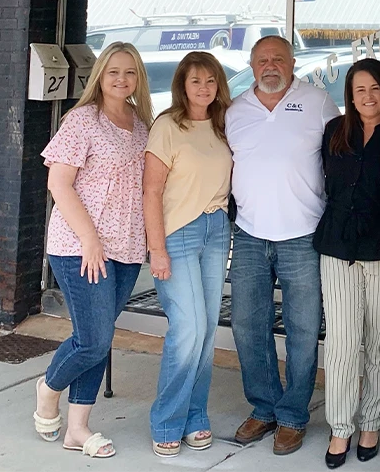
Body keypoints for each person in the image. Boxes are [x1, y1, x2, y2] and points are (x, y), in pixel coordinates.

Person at [33, 42, 153, 458]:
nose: (122, 80)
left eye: (131, 73)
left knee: (97, 338)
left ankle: (78, 430)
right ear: (100, 74)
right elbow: (58, 184)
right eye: (114, 71)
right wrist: (90, 239)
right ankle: (48, 389)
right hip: (81, 246)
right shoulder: (83, 121)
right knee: (94, 339)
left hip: (126, 248)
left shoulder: (142, 124)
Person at [225, 35, 341, 455]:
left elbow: (341, 159)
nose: (269, 65)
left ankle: (292, 415)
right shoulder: (235, 111)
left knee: (304, 330)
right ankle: (263, 407)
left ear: (293, 63)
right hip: (250, 235)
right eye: (262, 60)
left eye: (278, 58)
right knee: (247, 327)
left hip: (303, 236)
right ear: (251, 65)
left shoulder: (319, 103)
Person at [314, 58, 380, 469]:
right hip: (337, 248)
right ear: (349, 95)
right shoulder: (335, 132)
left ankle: (371, 421)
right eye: (358, 90)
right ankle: (340, 426)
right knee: (343, 344)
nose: (367, 97)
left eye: (374, 88)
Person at [143, 52, 233, 457]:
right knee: (188, 329)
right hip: (178, 233)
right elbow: (151, 191)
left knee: (208, 328)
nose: (204, 88)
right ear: (182, 84)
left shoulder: (223, 124)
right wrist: (156, 249)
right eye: (196, 81)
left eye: (211, 81)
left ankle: (196, 416)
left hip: (216, 229)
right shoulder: (167, 126)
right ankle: (167, 420)